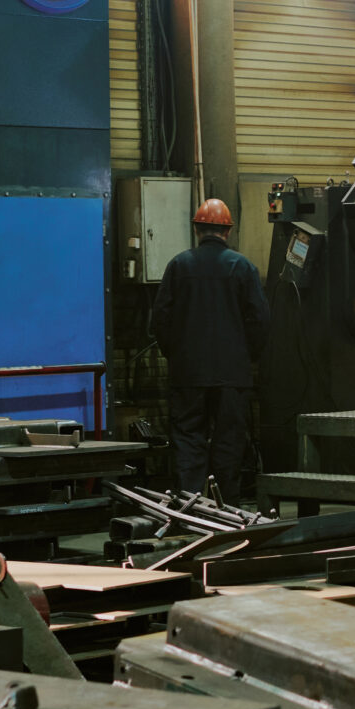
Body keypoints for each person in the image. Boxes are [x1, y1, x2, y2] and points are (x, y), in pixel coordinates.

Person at [154, 196, 268, 497]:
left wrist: (175, 355)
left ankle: (191, 507)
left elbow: (160, 319)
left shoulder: (179, 266)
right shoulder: (243, 267)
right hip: (233, 374)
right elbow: (260, 320)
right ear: (228, 231)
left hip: (188, 373)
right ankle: (227, 508)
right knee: (230, 440)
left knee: (188, 438)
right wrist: (248, 357)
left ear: (196, 229)